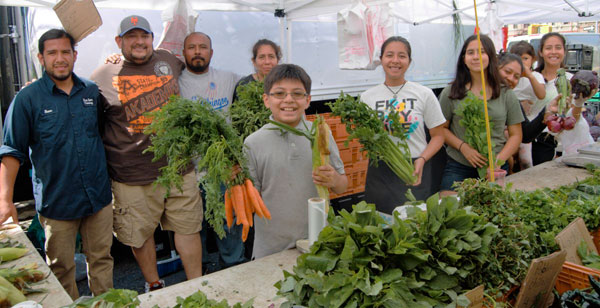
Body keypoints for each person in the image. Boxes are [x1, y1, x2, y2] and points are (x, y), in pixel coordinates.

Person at [90, 15, 203, 292]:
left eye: (144, 36)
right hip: (132, 175)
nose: (139, 42)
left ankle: (198, 286)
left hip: (178, 169)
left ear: (153, 39)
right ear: (119, 42)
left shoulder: (168, 60)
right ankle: (154, 285)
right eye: (131, 37)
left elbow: (197, 55)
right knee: (140, 236)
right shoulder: (103, 74)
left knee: (188, 228)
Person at [0, 29, 113, 300]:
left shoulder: (91, 91)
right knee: (61, 268)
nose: (59, 59)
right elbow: (11, 150)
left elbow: (99, 133)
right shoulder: (27, 99)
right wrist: (5, 200)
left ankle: (106, 304)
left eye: (65, 52)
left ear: (74, 56)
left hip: (97, 196)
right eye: (52, 53)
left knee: (102, 260)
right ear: (41, 57)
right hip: (57, 201)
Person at [244, 64, 348, 258]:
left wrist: (334, 179)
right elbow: (250, 204)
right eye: (279, 93)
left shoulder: (321, 132)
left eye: (297, 94)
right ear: (266, 100)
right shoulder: (253, 143)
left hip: (319, 242)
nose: (289, 100)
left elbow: (342, 187)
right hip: (271, 249)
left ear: (308, 100)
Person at [178, 32, 247, 270]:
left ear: (211, 52)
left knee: (228, 221)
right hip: (188, 168)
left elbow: (260, 81)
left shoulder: (227, 78)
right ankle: (201, 269)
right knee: (193, 225)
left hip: (222, 167)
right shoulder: (174, 83)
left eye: (203, 47)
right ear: (183, 52)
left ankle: (234, 266)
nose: (197, 51)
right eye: (192, 47)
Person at [360, 36, 446, 213]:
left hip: (415, 168)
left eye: (402, 56)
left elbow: (439, 136)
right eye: (389, 55)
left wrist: (422, 159)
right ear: (381, 59)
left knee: (415, 223)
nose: (395, 61)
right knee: (381, 223)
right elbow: (365, 137)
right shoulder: (367, 97)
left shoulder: (424, 93)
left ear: (409, 61)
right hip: (381, 169)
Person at [439, 34, 523, 196]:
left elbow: (516, 135)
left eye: (482, 52)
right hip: (459, 166)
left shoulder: (506, 93)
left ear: (491, 57)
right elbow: (441, 130)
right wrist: (464, 148)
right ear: (464, 58)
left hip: (496, 167)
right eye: (471, 52)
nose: (476, 57)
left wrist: (497, 162)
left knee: (492, 214)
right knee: (449, 209)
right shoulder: (450, 92)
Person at [531, 32, 572, 165]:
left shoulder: (571, 80)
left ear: (564, 51)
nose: (553, 52)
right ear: (541, 52)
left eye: (558, 48)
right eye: (548, 48)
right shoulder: (532, 78)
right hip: (533, 138)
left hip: (562, 141)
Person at [508, 41, 546, 170]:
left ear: (533, 59)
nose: (521, 62)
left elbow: (541, 94)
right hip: (510, 123)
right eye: (517, 59)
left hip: (528, 122)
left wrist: (529, 75)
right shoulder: (509, 77)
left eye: (525, 58)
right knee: (509, 157)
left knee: (525, 159)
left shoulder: (535, 76)